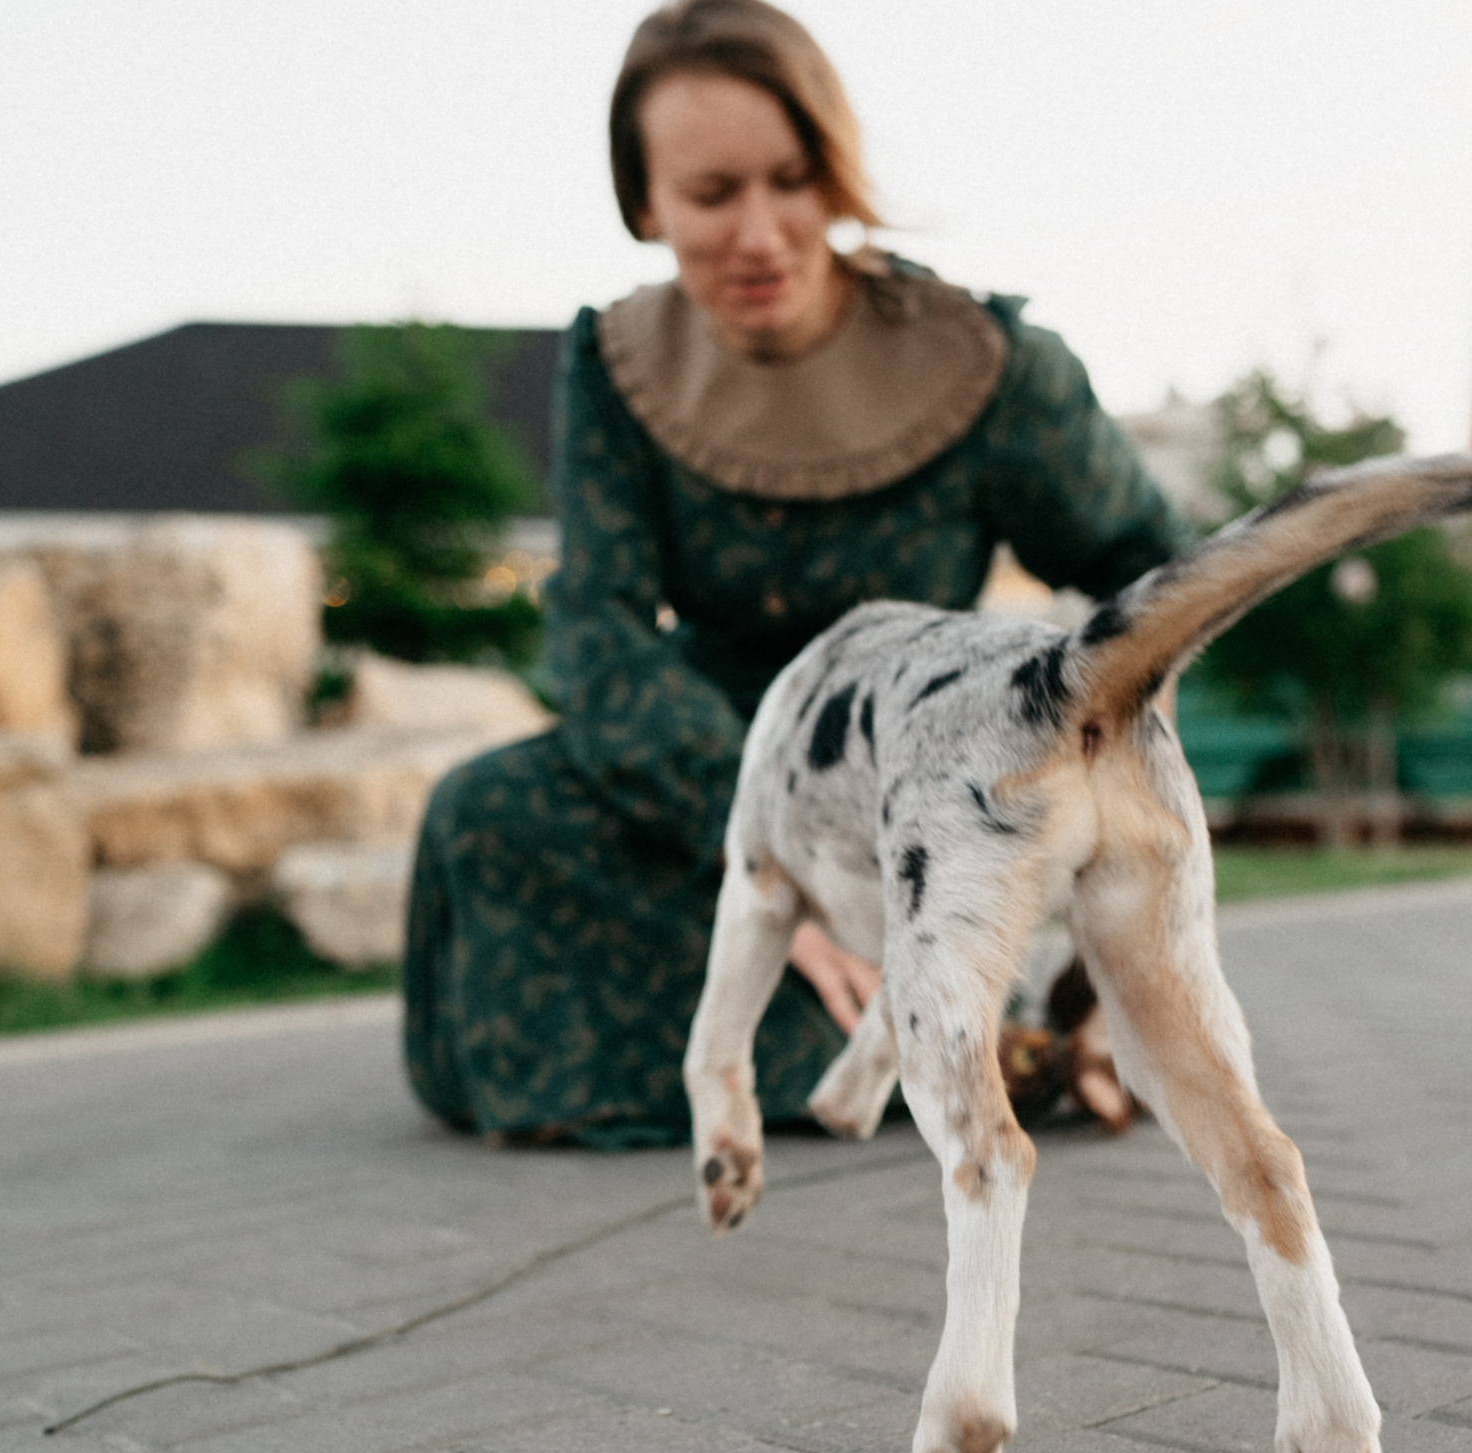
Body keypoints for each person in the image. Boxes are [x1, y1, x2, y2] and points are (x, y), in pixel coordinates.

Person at [403, 0, 1190, 1149]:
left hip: (919, 752)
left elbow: (1147, 576)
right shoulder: (613, 366)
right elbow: (598, 625)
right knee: (486, 813)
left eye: (793, 179)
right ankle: (963, 1044)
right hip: (706, 758)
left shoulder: (985, 364)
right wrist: (761, 853)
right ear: (645, 204)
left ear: (837, 174)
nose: (761, 233)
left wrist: (1081, 750)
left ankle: (975, 1037)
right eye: (712, 196)